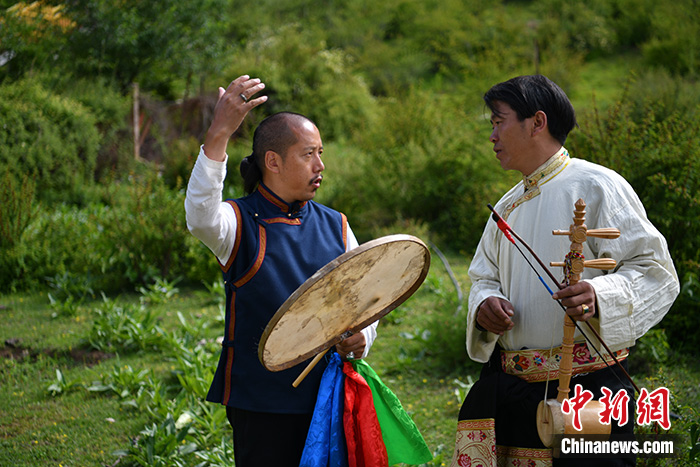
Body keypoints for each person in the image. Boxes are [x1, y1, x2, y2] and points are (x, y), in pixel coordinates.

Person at [450, 75, 679, 466]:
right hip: (513, 390)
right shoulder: (505, 207)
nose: (492, 135)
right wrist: (485, 304)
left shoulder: (597, 185)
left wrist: (599, 295)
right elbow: (484, 276)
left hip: (589, 389)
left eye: (498, 121)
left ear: (536, 122)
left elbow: (655, 269)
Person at [184, 75, 378, 467]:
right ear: (273, 161)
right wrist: (220, 132)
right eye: (308, 154)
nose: (320, 165)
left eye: (320, 152)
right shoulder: (237, 221)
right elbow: (200, 217)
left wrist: (362, 338)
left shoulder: (336, 225)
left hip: (329, 394)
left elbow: (363, 303)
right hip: (261, 405)